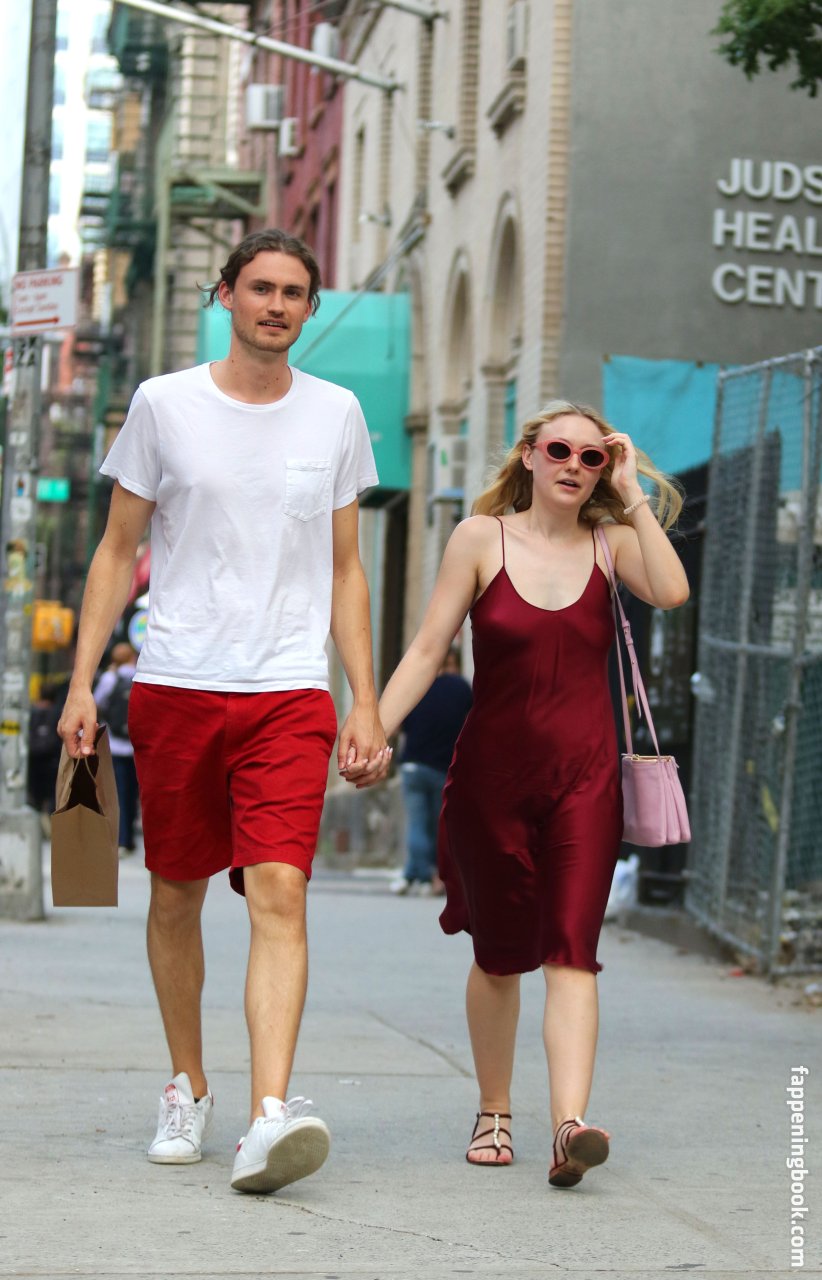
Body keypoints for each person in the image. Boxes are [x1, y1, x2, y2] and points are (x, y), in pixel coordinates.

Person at [57, 229, 391, 1195]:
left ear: (309, 309)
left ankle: (268, 1115)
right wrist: (82, 682)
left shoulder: (337, 413)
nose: (276, 305)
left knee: (281, 891)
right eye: (260, 288)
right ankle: (187, 1087)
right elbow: (118, 550)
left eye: (294, 293)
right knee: (176, 892)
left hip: (289, 690)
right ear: (226, 296)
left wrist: (364, 700)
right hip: (177, 682)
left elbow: (346, 569)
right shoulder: (164, 404)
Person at [370, 401, 688, 1188]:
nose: (575, 466)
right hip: (491, 783)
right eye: (560, 451)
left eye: (591, 457)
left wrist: (633, 493)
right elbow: (428, 647)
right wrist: (372, 726)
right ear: (529, 455)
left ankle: (569, 1126)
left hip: (587, 782)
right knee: (500, 955)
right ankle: (494, 1109)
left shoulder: (613, 545)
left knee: (572, 952)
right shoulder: (481, 539)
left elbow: (673, 591)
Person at [392, 648, 472, 895]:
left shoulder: (419, 687)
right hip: (443, 767)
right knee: (440, 826)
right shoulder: (461, 689)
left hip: (413, 764)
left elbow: (401, 724)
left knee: (417, 824)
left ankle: (417, 875)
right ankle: (433, 875)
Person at [93, 642, 139, 856]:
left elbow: (97, 702)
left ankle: (121, 839)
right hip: (137, 745)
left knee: (119, 792)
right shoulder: (140, 675)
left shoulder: (110, 678)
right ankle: (130, 838)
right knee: (135, 793)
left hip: (116, 745)